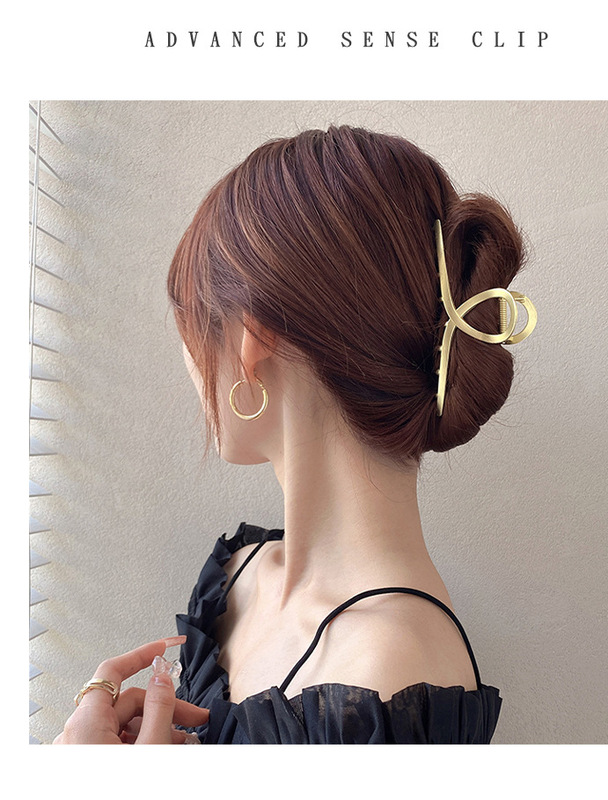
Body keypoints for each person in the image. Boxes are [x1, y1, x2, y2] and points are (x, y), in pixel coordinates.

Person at [55, 124, 536, 744]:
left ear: (252, 343)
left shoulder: (387, 677)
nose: (189, 362)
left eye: (194, 328)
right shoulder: (237, 578)